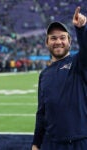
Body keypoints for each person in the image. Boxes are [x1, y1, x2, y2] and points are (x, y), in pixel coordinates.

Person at [32, 6, 87, 150]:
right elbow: (41, 113)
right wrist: (36, 143)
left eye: (62, 38)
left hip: (80, 142)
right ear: (47, 42)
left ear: (69, 41)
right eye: (53, 38)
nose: (58, 41)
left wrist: (81, 30)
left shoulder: (78, 63)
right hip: (52, 144)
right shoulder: (44, 75)